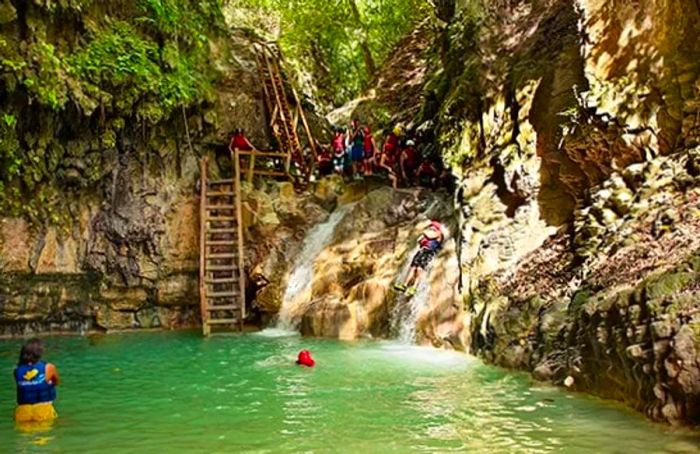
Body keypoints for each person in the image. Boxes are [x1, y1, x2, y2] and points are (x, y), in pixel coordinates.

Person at [14, 338, 60, 423]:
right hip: (43, 410)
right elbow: (56, 382)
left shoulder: (17, 370)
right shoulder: (49, 367)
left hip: (22, 412)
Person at [394, 220, 445, 296]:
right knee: (412, 268)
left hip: (428, 252)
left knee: (419, 269)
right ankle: (404, 285)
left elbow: (429, 235)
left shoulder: (438, 233)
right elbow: (419, 241)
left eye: (432, 227)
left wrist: (423, 230)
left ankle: (414, 287)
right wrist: (422, 238)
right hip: (421, 251)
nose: (430, 229)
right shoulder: (427, 235)